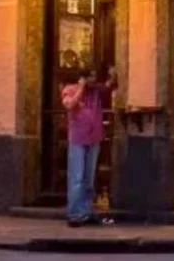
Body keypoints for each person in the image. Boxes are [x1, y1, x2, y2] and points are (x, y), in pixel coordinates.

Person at [60, 67, 116, 227]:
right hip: (78, 139)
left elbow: (109, 86)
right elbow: (69, 105)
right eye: (91, 78)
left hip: (94, 139)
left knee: (88, 179)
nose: (94, 81)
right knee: (77, 177)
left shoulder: (96, 92)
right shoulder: (70, 90)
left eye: (94, 78)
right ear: (82, 78)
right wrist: (81, 88)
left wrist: (112, 76)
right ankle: (74, 214)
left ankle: (85, 211)